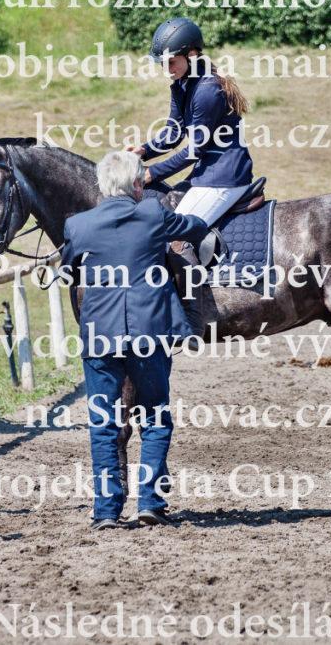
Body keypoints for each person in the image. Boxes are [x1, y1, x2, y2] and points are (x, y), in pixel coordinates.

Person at [59, 151, 207, 530]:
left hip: (100, 335)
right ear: (138, 184)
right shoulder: (154, 212)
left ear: (103, 185)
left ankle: (106, 512)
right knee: (155, 418)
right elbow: (193, 227)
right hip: (149, 332)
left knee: (103, 423)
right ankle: (150, 504)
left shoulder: (78, 224)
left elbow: (69, 272)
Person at [126, 17, 254, 333]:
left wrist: (151, 173)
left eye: (171, 61)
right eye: (163, 63)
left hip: (224, 177)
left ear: (192, 54)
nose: (166, 68)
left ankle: (193, 321)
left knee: (176, 236)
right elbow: (173, 132)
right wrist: (144, 151)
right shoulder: (183, 84)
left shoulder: (208, 91)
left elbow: (193, 151)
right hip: (206, 173)